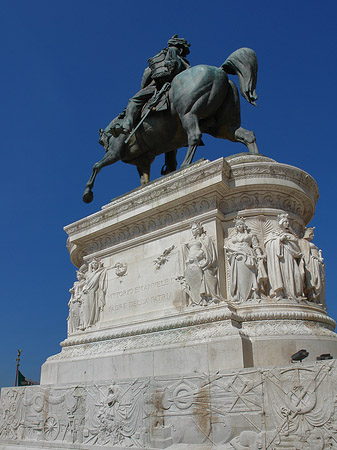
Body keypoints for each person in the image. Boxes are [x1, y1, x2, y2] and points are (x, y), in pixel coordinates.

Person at [110, 35, 191, 137]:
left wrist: (145, 86)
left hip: (160, 84)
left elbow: (148, 73)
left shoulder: (170, 51)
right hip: (178, 84)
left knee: (134, 100)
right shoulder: (184, 61)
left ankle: (127, 124)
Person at [225, 217, 267, 302]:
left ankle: (252, 295)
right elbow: (228, 247)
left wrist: (259, 255)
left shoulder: (250, 235)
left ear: (244, 226)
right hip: (238, 259)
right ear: (236, 227)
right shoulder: (232, 238)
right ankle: (241, 296)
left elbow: (256, 247)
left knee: (250, 275)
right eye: (238, 225)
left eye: (241, 224)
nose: (239, 226)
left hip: (249, 256)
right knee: (240, 277)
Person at [264, 214, 304, 299]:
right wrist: (279, 240)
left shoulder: (291, 234)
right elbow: (268, 243)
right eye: (285, 222)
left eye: (288, 222)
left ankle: (293, 293)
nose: (287, 224)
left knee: (294, 274)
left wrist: (288, 240)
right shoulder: (274, 233)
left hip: (289, 257)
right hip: (279, 258)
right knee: (282, 273)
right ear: (281, 223)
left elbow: (297, 249)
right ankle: (281, 293)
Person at [184, 222, 219, 305]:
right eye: (192, 229)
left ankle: (208, 297)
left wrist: (197, 256)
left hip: (202, 262)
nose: (193, 231)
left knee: (206, 274)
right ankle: (196, 300)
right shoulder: (190, 241)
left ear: (199, 230)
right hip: (191, 263)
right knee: (192, 280)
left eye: (195, 229)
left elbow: (207, 249)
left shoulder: (205, 238)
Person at [299, 227, 326, 308]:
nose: (313, 235)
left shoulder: (307, 243)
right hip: (310, 262)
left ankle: (315, 298)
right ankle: (312, 296)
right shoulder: (303, 243)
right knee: (312, 279)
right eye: (311, 234)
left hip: (315, 262)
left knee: (317, 280)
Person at [81, 258, 107, 329]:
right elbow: (86, 283)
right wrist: (84, 289)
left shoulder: (99, 272)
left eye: (96, 263)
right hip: (86, 292)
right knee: (86, 308)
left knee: (92, 307)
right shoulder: (89, 274)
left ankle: (91, 322)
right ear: (91, 265)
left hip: (92, 292)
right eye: (93, 264)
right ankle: (86, 323)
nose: (94, 265)